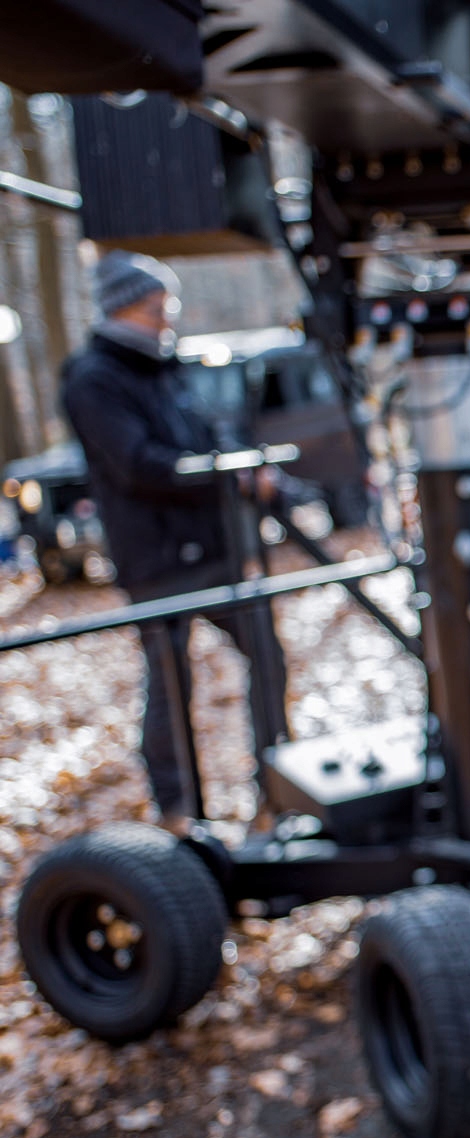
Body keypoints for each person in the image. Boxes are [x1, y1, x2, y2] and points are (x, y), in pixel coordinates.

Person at [61, 251, 289, 830]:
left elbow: (204, 438)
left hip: (214, 546)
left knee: (266, 654)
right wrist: (227, 475)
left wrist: (244, 468)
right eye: (154, 306)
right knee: (169, 684)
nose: (167, 317)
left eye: (168, 304)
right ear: (124, 308)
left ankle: (277, 786)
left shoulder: (166, 367)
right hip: (158, 558)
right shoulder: (94, 379)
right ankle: (178, 810)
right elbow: (139, 464)